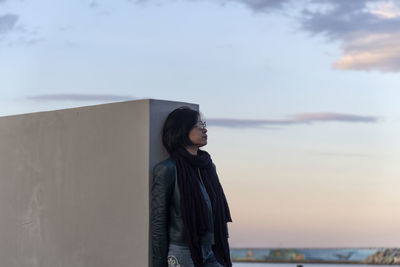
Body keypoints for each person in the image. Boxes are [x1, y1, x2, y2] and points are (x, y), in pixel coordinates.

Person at [151, 106, 233, 267]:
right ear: (182, 130)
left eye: (204, 124)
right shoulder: (167, 169)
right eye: (199, 125)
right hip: (183, 251)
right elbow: (158, 221)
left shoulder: (207, 167)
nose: (205, 130)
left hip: (212, 248)